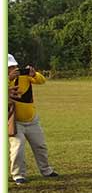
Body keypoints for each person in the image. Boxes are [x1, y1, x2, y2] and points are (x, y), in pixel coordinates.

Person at [8, 54, 58, 184]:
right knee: (18, 148)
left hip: (32, 120)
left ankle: (46, 170)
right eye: (8, 67)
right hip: (14, 122)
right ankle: (18, 174)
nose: (12, 69)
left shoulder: (25, 77)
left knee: (40, 146)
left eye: (13, 66)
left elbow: (41, 81)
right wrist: (8, 79)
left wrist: (33, 74)